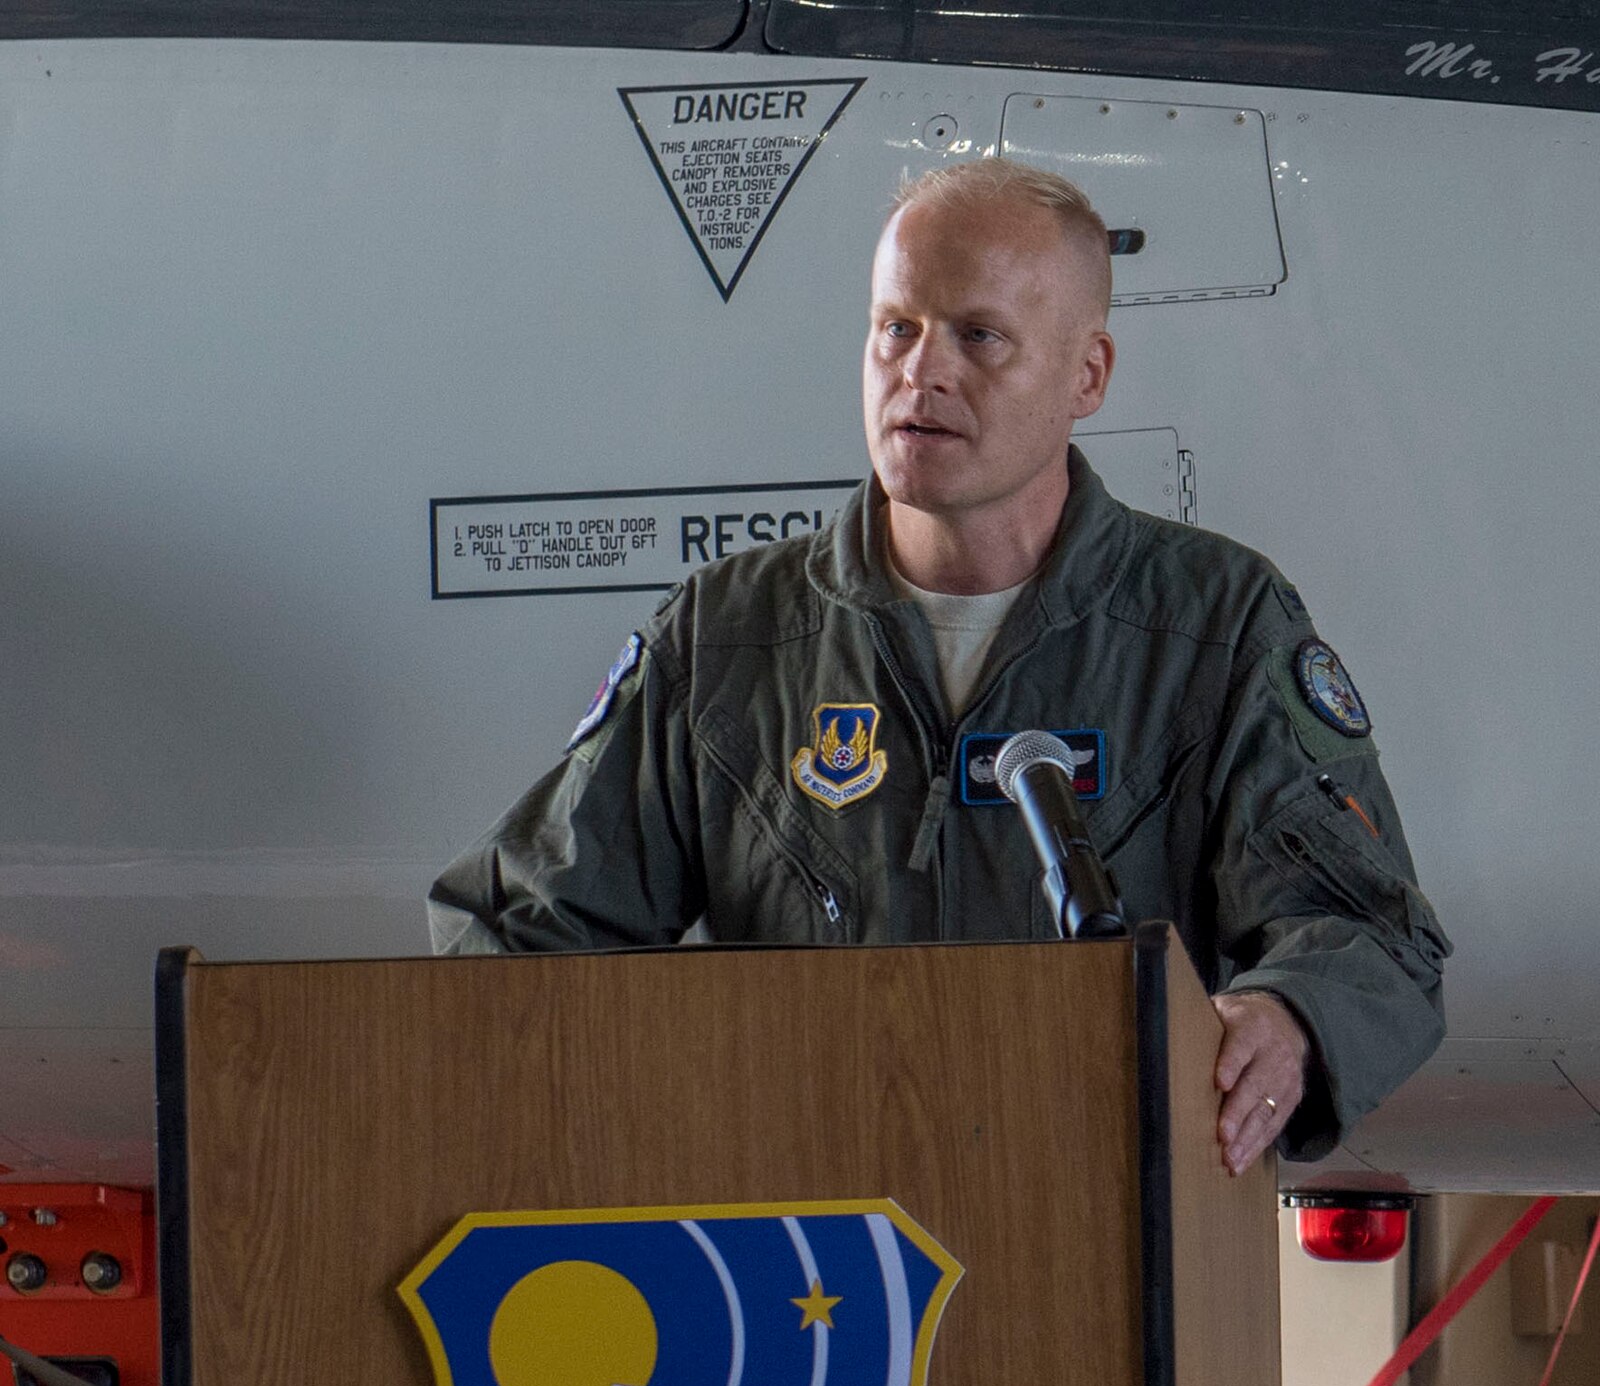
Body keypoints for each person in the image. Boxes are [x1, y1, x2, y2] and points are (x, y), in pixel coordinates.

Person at [429, 159, 1449, 1173]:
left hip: (1095, 1230)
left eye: (979, 336)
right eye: (895, 328)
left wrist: (1290, 1015)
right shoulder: (732, 635)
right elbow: (522, 928)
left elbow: (1368, 931)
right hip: (804, 1264)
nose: (922, 372)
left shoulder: (1214, 626)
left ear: (1086, 374)